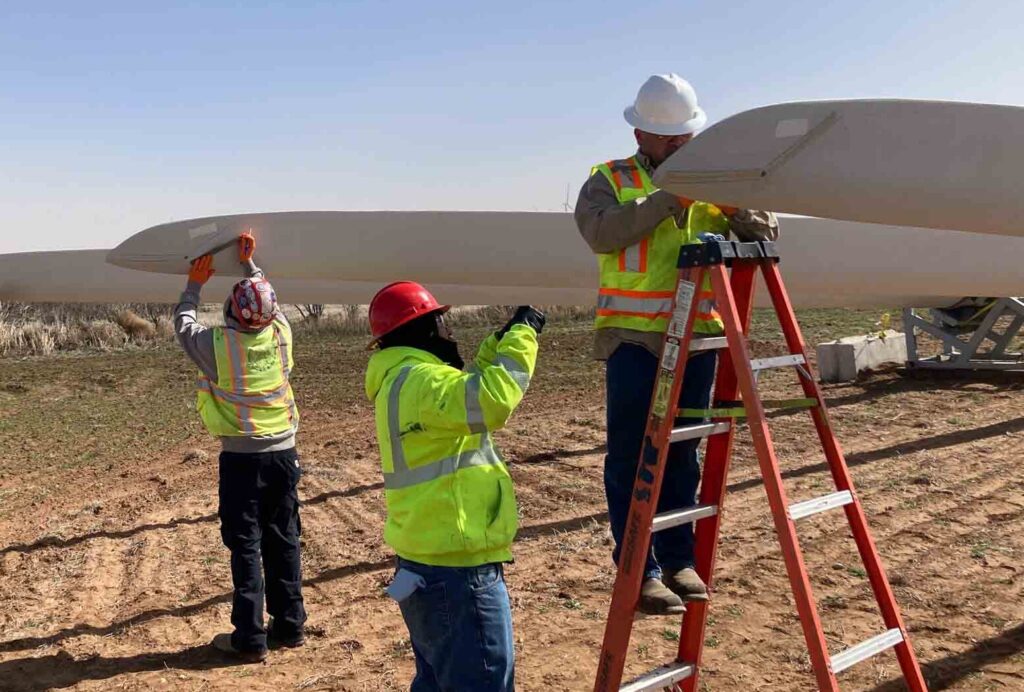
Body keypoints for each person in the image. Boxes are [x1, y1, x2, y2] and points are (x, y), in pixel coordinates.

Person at [574, 73, 780, 615]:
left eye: (682, 138)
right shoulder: (609, 179)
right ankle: (639, 570)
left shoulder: (714, 178)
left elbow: (767, 232)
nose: (676, 146)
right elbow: (601, 233)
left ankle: (677, 559)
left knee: (683, 453)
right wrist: (669, 199)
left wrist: (735, 207)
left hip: (699, 338)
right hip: (634, 339)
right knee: (631, 457)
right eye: (666, 139)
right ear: (640, 134)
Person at [364, 281, 543, 691]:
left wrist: (495, 344)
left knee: (437, 680)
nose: (449, 331)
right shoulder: (422, 381)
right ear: (423, 329)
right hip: (457, 574)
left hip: (424, 565)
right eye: (441, 322)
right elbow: (490, 402)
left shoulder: (401, 380)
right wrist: (523, 335)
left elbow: (465, 391)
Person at [175, 233, 306, 661]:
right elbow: (272, 304)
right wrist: (251, 266)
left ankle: (250, 639)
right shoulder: (282, 333)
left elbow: (184, 324)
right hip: (284, 455)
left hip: (243, 461)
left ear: (232, 311)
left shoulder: (219, 347)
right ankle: (291, 626)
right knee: (283, 538)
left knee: (246, 545)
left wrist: (194, 284)